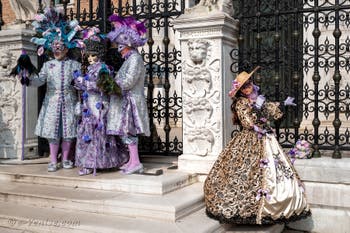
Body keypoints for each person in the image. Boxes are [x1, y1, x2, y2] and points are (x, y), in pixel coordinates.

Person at [204, 67, 311, 224]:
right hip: (249, 139)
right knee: (244, 171)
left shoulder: (258, 98)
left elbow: (271, 110)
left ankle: (276, 205)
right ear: (240, 90)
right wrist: (256, 121)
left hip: (266, 138)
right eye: (244, 86)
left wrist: (283, 104)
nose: (248, 88)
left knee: (275, 171)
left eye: (249, 84)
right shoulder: (241, 102)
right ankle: (247, 207)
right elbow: (246, 120)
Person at [13, 7, 83, 172]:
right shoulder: (48, 65)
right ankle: (53, 160)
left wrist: (83, 92)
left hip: (70, 101)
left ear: (67, 48)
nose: (58, 51)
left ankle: (65, 159)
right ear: (52, 48)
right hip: (51, 102)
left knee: (68, 132)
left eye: (61, 48)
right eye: (55, 48)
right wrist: (27, 79)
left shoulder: (75, 64)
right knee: (53, 132)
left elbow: (79, 84)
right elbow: (39, 80)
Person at [73, 27, 128, 176]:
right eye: (89, 56)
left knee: (98, 134)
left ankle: (97, 162)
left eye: (94, 56)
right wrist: (79, 82)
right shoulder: (90, 69)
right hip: (88, 106)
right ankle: (87, 163)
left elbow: (102, 87)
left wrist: (84, 83)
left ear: (99, 55)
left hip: (98, 105)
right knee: (87, 134)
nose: (91, 59)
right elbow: (86, 86)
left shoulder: (104, 69)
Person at [106, 15, 150, 174]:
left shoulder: (135, 59)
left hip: (131, 102)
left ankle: (136, 162)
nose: (118, 48)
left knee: (129, 131)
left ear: (127, 44)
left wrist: (112, 85)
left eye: (120, 45)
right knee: (126, 131)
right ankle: (132, 161)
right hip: (125, 101)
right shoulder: (129, 59)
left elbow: (129, 81)